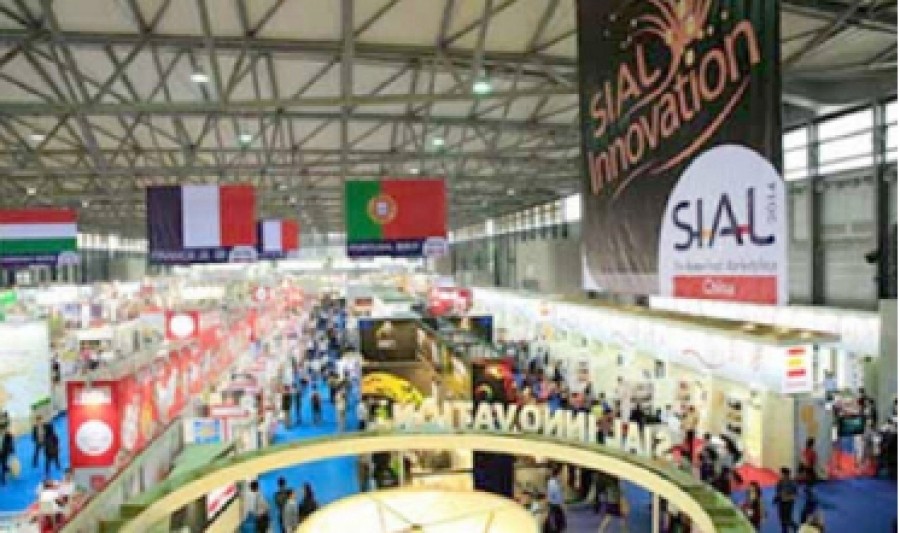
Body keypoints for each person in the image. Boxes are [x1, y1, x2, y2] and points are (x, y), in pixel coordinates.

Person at [773, 467, 798, 533]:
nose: (780, 475)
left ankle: (795, 526)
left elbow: (795, 495)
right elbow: (778, 491)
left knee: (787, 519)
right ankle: (784, 531)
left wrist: (788, 498)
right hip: (781, 503)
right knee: (781, 518)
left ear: (786, 474)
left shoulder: (792, 483)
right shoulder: (780, 482)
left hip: (788, 503)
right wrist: (776, 498)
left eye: (781, 473)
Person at [545, 465, 566, 532]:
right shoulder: (553, 483)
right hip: (555, 506)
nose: (562, 477)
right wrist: (561, 504)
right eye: (561, 475)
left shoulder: (554, 482)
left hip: (554, 506)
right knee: (557, 525)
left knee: (559, 525)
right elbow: (555, 496)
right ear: (558, 474)